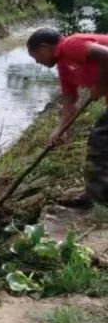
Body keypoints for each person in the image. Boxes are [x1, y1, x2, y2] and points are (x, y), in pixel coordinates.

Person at [26, 27, 108, 204]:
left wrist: (100, 84)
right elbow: (70, 99)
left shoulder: (71, 45)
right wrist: (60, 130)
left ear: (44, 47)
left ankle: (98, 198)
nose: (38, 62)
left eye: (36, 57)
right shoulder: (64, 65)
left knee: (100, 142)